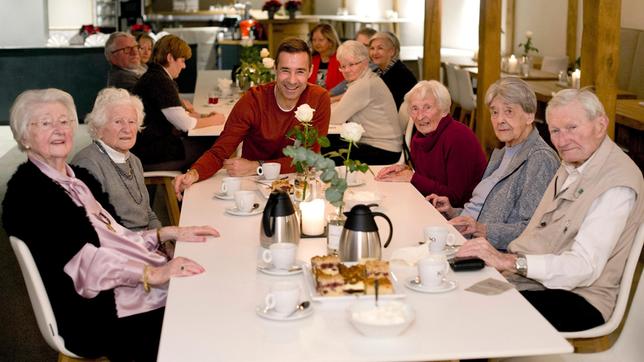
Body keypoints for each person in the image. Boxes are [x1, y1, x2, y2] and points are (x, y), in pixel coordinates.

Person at [2, 88, 220, 360]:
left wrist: (166, 232)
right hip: (90, 312)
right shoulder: (30, 194)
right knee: (195, 309)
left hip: (114, 289)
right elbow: (86, 264)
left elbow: (116, 236)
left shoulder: (77, 178)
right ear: (24, 135)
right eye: (46, 123)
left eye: (64, 122)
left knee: (205, 286)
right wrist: (151, 274)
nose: (59, 130)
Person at [456, 88, 644, 332]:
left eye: (572, 128)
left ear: (600, 125)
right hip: (537, 282)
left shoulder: (616, 182)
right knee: (458, 293)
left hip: (580, 299)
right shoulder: (573, 163)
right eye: (555, 130)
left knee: (476, 316)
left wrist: (510, 261)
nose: (562, 140)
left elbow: (583, 268)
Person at [173, 37, 331, 199]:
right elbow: (220, 150)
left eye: (300, 71)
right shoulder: (253, 100)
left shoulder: (319, 99)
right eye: (285, 70)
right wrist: (193, 174)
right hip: (251, 185)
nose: (292, 80)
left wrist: (258, 166)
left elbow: (310, 158)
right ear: (275, 68)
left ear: (310, 71)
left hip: (297, 186)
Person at [426, 78, 559, 249]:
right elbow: (484, 212)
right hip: (465, 238)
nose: (499, 120)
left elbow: (534, 229)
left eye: (508, 111)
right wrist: (453, 211)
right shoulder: (502, 153)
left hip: (490, 253)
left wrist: (483, 230)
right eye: (494, 112)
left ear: (530, 115)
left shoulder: (540, 159)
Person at [375, 80, 487, 207]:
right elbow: (430, 179)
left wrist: (412, 177)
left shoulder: (458, 138)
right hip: (433, 209)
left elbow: (454, 198)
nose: (420, 116)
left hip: (464, 216)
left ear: (444, 110)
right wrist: (404, 171)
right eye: (414, 108)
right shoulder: (420, 137)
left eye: (427, 107)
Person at [72, 88, 161, 231]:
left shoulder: (134, 161)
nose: (127, 129)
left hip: (146, 241)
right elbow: (100, 229)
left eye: (132, 122)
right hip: (120, 247)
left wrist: (163, 239)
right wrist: (152, 240)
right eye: (118, 122)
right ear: (99, 128)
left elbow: (148, 214)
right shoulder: (87, 164)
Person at [132, 34, 225, 171]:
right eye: (182, 60)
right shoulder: (160, 81)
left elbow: (175, 116)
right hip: (151, 154)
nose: (184, 66)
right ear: (170, 58)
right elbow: (185, 124)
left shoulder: (155, 75)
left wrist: (203, 117)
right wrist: (215, 120)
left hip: (148, 148)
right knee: (217, 147)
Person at [330, 40, 402, 165]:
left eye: (351, 65)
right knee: (331, 141)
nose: (346, 70)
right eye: (343, 66)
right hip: (384, 146)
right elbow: (340, 107)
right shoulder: (366, 79)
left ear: (364, 62)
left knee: (327, 148)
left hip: (383, 151)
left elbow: (334, 118)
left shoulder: (363, 85)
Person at [368, 31, 417, 109]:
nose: (374, 53)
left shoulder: (403, 75)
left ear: (392, 51)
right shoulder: (375, 72)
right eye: (372, 48)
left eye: (380, 48)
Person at [329, 27, 377, 100]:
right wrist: (327, 95)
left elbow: (356, 93)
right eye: (356, 45)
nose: (358, 49)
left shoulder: (376, 67)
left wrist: (330, 98)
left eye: (365, 45)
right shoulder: (358, 62)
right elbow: (345, 84)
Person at [308, 23, 344, 91]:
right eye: (314, 40)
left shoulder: (341, 60)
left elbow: (344, 87)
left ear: (331, 41)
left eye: (321, 40)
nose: (317, 43)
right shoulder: (311, 60)